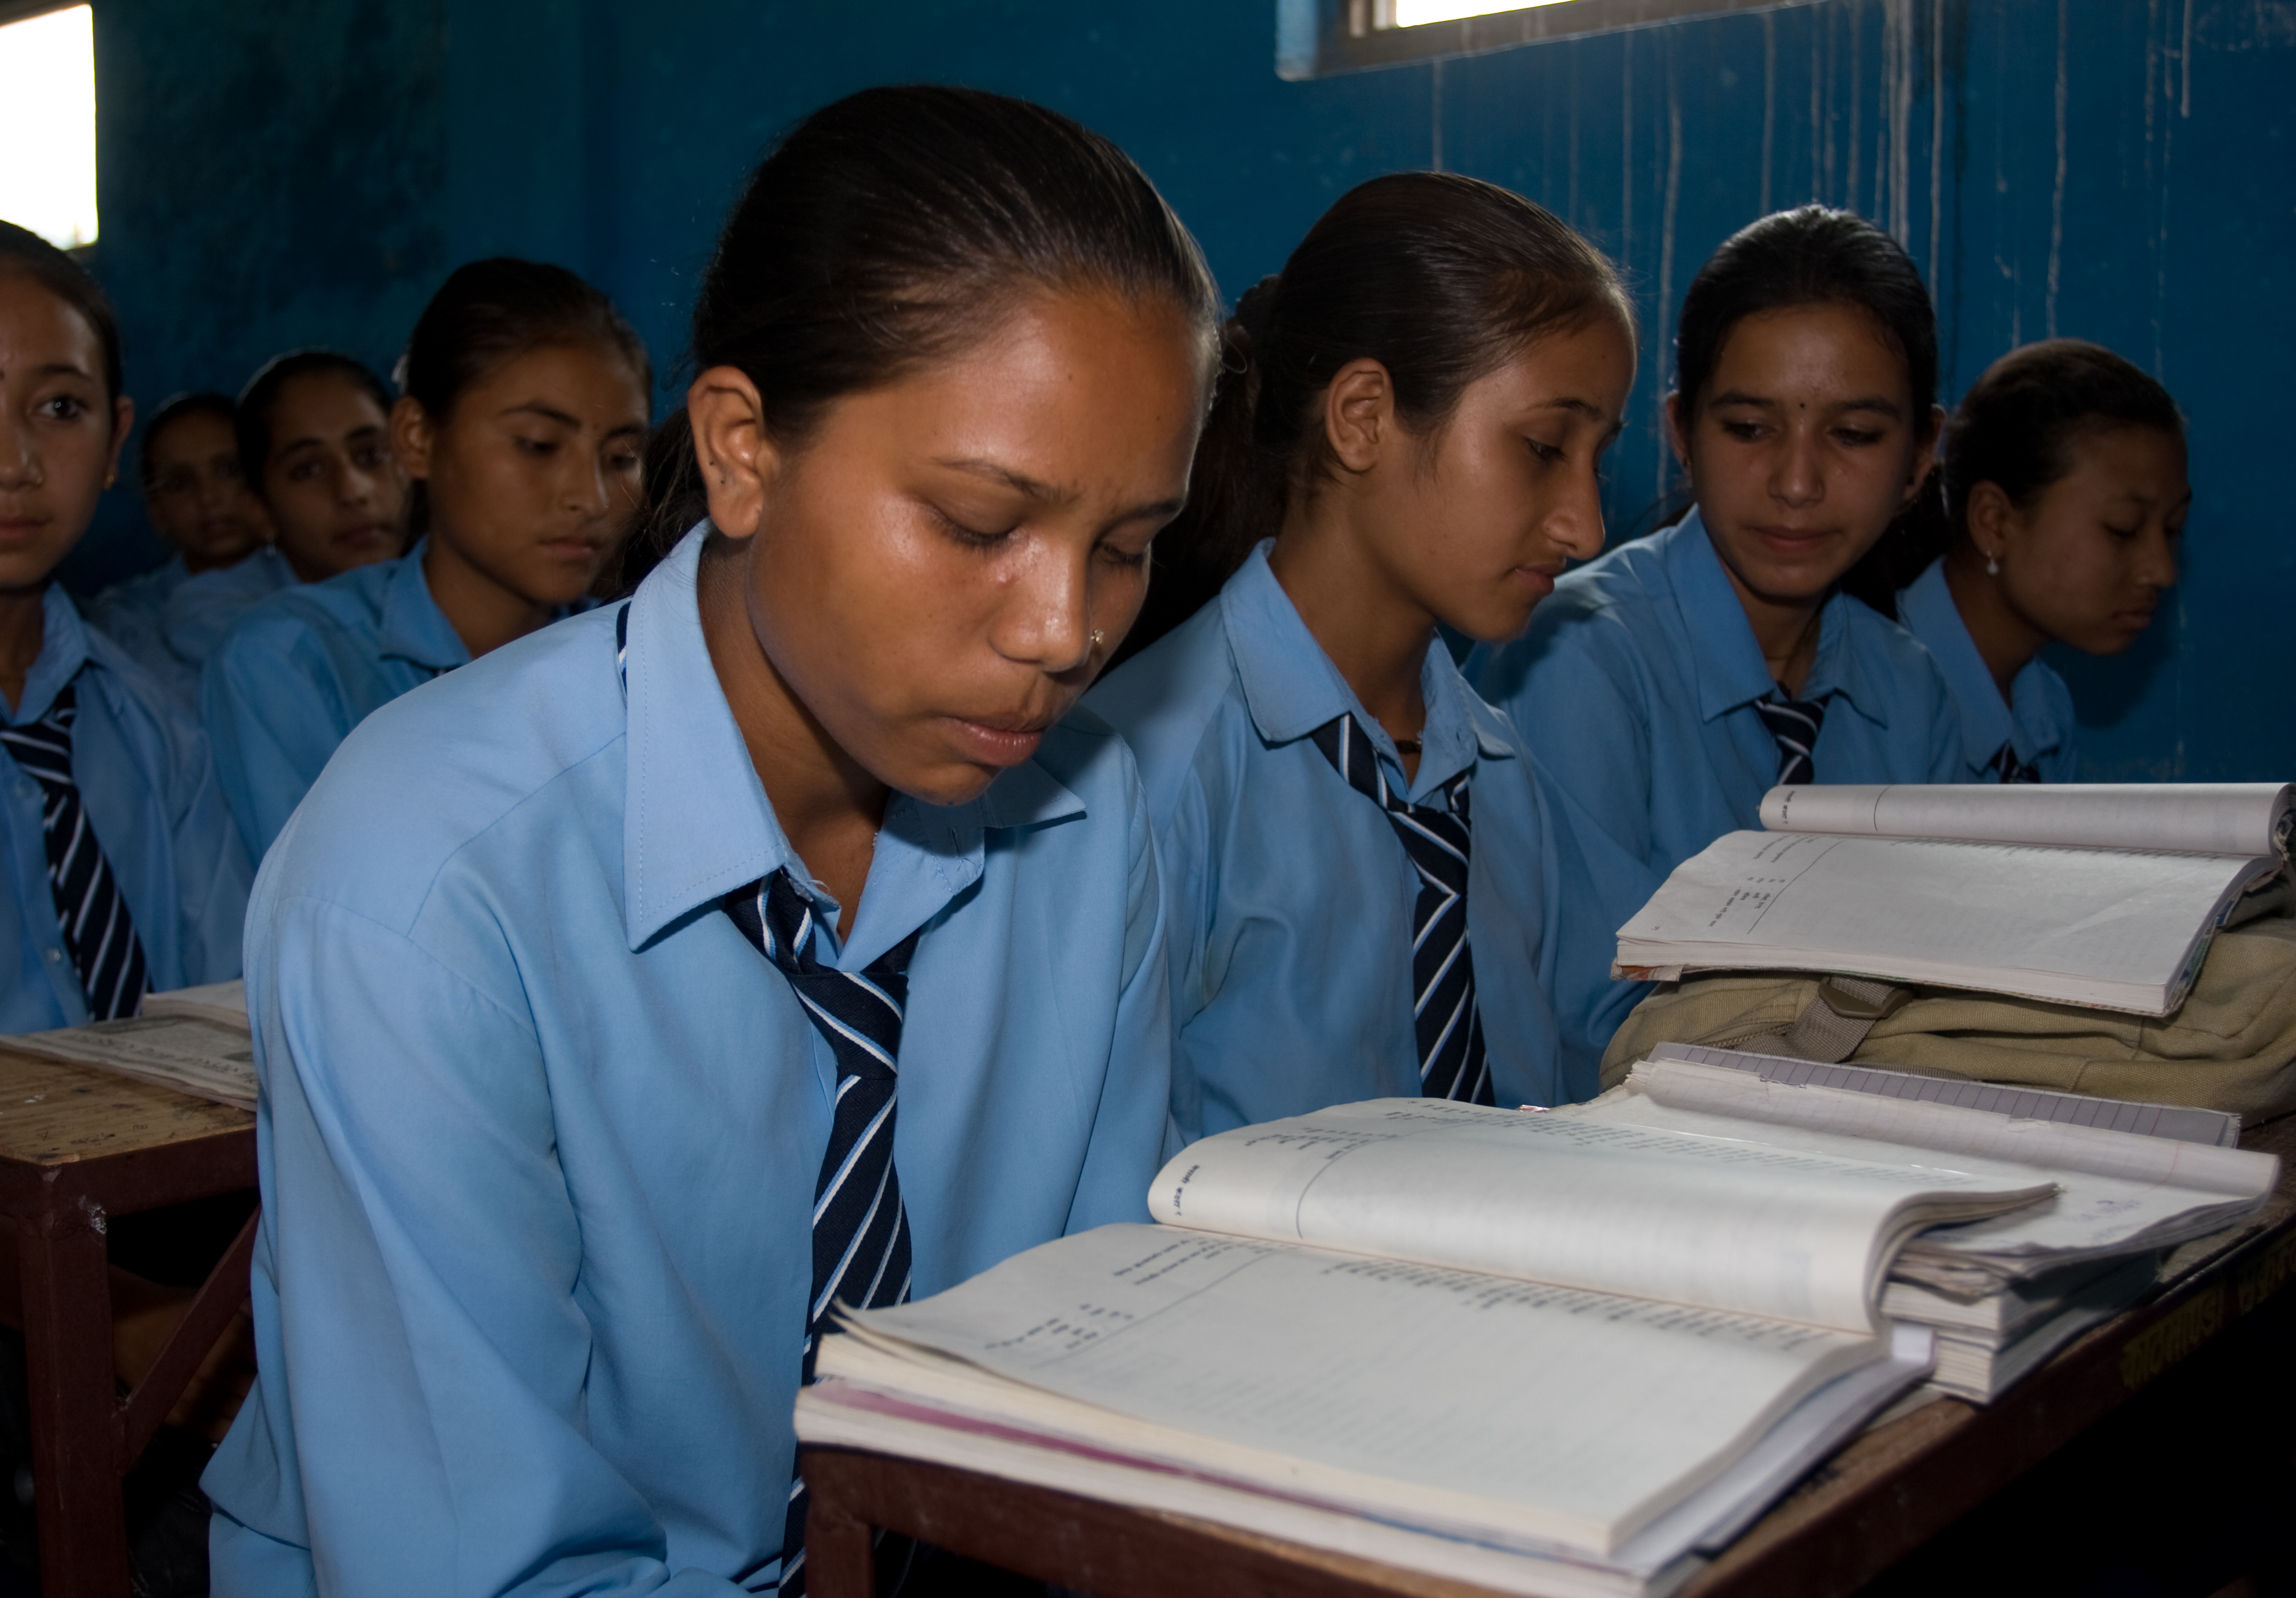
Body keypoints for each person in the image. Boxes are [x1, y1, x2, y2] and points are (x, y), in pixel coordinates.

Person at [203, 86, 1215, 1596]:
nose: (1065, 631)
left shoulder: (1083, 808)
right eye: (975, 523)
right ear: (741, 451)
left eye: (1128, 547)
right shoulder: (428, 882)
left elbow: (1088, 1362)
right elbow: (479, 1565)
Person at [1087, 172, 1634, 1125]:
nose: (1586, 527)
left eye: (1600, 460)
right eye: (1545, 448)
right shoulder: (1152, 778)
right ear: (1364, 418)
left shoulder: (1500, 773)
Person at [0, 215, 254, 1561]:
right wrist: (114, 1318)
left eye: (56, 408)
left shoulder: (150, 723)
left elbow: (236, 1030)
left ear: (112, 441)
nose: (10, 461)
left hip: (157, 1233)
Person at [1469, 206, 1966, 1062]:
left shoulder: (1910, 689)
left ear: (1922, 454)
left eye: (1853, 434)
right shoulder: (1575, 658)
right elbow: (1598, 1020)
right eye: (1748, 429)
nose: (1797, 483)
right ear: (1681, 434)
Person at [201, 260, 649, 862]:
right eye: (538, 445)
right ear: (416, 438)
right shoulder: (294, 661)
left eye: (621, 457)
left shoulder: (641, 661)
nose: (590, 499)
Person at [1879, 340, 2187, 782]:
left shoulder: (2044, 705)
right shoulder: (1872, 698)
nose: (2162, 570)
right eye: (2123, 529)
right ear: (1994, 522)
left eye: (2173, 529)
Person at [156, 351, 405, 682]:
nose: (352, 491)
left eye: (371, 455)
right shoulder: (217, 614)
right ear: (260, 511)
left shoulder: (454, 577)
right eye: (308, 470)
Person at [82, 391, 269, 697]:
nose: (208, 497)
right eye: (180, 483)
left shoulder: (314, 578)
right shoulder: (125, 619)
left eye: (229, 470)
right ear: (157, 512)